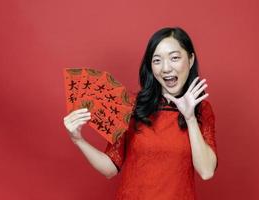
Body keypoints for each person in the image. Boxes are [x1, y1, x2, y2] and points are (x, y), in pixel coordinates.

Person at [63, 27, 218, 200]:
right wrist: (78, 140)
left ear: (190, 60)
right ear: (151, 66)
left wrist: (189, 118)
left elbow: (206, 171)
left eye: (174, 58)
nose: (166, 68)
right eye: (157, 60)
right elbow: (110, 168)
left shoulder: (201, 109)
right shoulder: (132, 107)